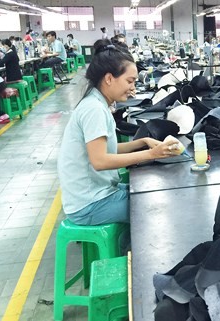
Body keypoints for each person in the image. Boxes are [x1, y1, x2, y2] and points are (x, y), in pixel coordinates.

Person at [57, 39, 180, 225]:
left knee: (147, 191)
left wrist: (143, 142)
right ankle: (135, 251)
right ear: (108, 78)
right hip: (89, 204)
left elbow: (107, 149)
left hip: (95, 194)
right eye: (129, 81)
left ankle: (126, 243)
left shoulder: (96, 103)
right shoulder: (94, 109)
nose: (133, 87)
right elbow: (100, 161)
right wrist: (151, 154)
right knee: (157, 207)